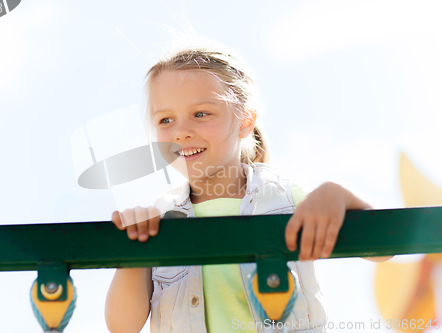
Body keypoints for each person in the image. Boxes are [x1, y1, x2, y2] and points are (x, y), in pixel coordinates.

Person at [105, 41, 379, 333]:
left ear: (245, 122)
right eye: (165, 119)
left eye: (201, 114)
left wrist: (339, 194)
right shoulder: (158, 219)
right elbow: (123, 326)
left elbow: (382, 251)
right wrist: (132, 253)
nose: (181, 132)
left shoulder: (285, 198)